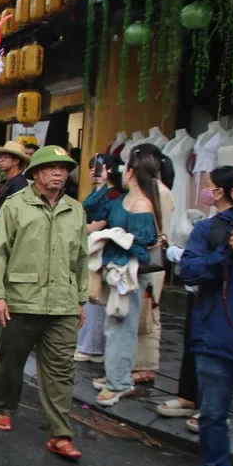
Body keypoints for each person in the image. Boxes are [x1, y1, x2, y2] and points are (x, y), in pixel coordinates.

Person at [0, 146, 89, 460]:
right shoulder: (16, 205)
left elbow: (81, 258)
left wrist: (80, 299)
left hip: (62, 303)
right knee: (11, 361)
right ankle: (4, 407)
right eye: (52, 167)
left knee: (61, 370)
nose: (59, 173)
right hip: (21, 301)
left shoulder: (75, 210)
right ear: (36, 173)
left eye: (64, 168)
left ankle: (60, 434)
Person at [178, 163, 233, 466]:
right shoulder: (210, 229)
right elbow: (188, 271)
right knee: (212, 414)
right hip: (216, 340)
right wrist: (225, 252)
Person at [84, 148, 162, 407]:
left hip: (128, 275)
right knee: (114, 326)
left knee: (122, 328)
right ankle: (115, 376)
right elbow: (92, 208)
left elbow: (143, 246)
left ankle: (119, 382)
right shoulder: (125, 199)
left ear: (130, 172)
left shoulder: (141, 205)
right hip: (116, 273)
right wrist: (101, 184)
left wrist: (117, 239)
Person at [161, 165, 233, 426]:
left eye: (209, 186)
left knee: (219, 354)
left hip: (227, 298)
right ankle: (190, 397)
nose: (205, 190)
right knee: (194, 344)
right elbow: (194, 266)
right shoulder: (208, 224)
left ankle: (213, 409)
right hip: (201, 293)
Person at [129, 143, 177, 388]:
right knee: (139, 311)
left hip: (152, 259)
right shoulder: (153, 189)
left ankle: (146, 366)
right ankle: (133, 363)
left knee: (149, 313)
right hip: (146, 257)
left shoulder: (158, 191)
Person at [74, 153, 124, 363]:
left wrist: (74, 225)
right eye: (92, 168)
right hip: (91, 247)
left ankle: (91, 348)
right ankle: (89, 346)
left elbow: (99, 224)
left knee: (94, 297)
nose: (94, 172)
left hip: (101, 249)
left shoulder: (112, 195)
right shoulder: (97, 192)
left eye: (99, 167)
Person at [0, 140, 29, 218]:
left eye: (5, 157)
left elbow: (12, 212)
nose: (0, 160)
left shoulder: (19, 183)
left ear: (16, 161)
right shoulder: (10, 181)